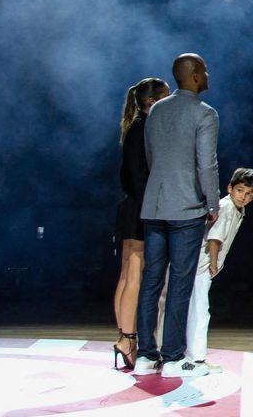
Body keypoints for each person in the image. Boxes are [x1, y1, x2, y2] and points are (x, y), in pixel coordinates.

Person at [134, 53, 220, 379]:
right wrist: (212, 204)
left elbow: (151, 156)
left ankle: (145, 356)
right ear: (195, 75)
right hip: (186, 208)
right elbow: (206, 165)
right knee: (180, 284)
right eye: (205, 69)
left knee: (151, 282)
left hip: (154, 206)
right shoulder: (205, 114)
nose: (208, 74)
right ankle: (171, 358)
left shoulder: (156, 109)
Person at [112, 77, 171, 370]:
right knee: (134, 273)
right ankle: (128, 338)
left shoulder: (134, 126)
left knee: (126, 272)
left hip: (130, 205)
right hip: (140, 206)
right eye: (166, 96)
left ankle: (124, 337)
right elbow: (139, 176)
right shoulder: (144, 128)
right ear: (155, 102)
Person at [185, 167, 253, 374]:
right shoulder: (226, 207)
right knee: (200, 310)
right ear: (230, 188)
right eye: (240, 191)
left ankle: (190, 353)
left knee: (196, 308)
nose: (243, 197)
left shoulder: (237, 209)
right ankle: (196, 357)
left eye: (248, 194)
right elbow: (215, 238)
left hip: (202, 265)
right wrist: (213, 264)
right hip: (201, 264)